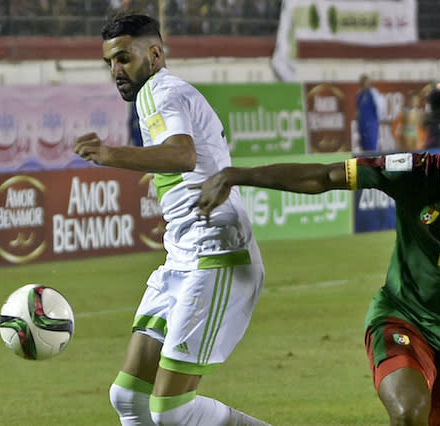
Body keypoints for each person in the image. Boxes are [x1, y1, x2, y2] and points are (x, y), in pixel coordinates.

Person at [194, 100, 440, 426]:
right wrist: (236, 175)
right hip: (401, 318)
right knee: (410, 412)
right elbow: (325, 176)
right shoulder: (417, 171)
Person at [73, 13, 268, 426]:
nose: (116, 71)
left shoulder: (159, 92)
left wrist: (109, 154)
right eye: (110, 62)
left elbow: (181, 155)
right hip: (181, 256)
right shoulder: (164, 93)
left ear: (155, 54)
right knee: (128, 397)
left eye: (124, 58)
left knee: (171, 410)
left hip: (215, 255)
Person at [355, 74, 386, 153]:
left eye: (366, 82)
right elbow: (358, 109)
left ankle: (373, 161)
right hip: (362, 123)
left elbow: (380, 106)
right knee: (363, 145)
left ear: (369, 82)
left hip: (371, 122)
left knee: (371, 144)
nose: (364, 84)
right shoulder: (359, 94)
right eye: (362, 82)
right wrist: (358, 120)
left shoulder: (373, 92)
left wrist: (379, 118)